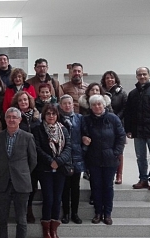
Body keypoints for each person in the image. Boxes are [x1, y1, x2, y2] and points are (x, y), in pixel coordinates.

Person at [0, 107, 37, 238]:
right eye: (9, 117)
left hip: (21, 183)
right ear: (5, 119)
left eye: (14, 117)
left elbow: (33, 160)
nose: (11, 119)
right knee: (2, 219)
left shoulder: (28, 137)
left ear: (20, 119)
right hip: (2, 182)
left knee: (21, 219)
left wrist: (22, 172)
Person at [82, 94, 125, 225]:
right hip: (93, 159)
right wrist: (84, 139)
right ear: (90, 107)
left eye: (99, 104)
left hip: (110, 159)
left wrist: (115, 153)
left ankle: (107, 213)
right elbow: (83, 134)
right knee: (95, 186)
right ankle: (97, 212)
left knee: (107, 186)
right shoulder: (87, 119)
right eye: (94, 104)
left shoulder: (113, 118)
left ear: (104, 105)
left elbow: (121, 136)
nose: (97, 107)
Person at [32, 104, 72, 238]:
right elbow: (37, 148)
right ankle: (46, 227)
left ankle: (54, 228)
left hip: (60, 169)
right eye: (48, 114)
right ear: (44, 115)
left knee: (57, 198)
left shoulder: (63, 129)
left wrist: (58, 161)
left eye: (53, 114)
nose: (51, 116)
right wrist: (51, 161)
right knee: (48, 198)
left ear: (57, 116)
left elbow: (68, 148)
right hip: (45, 169)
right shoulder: (37, 129)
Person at [58, 94, 84, 225]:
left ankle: (75, 213)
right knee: (65, 187)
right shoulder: (58, 119)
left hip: (77, 157)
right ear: (60, 105)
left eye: (69, 103)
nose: (67, 106)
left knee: (75, 187)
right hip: (63, 158)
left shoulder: (79, 118)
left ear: (73, 105)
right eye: (64, 104)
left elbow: (85, 134)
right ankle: (66, 213)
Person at [101, 71, 128, 184]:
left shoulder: (121, 93)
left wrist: (115, 118)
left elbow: (126, 108)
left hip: (117, 124)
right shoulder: (101, 92)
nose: (110, 80)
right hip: (103, 124)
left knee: (118, 151)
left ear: (116, 79)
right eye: (107, 78)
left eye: (112, 78)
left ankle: (119, 175)